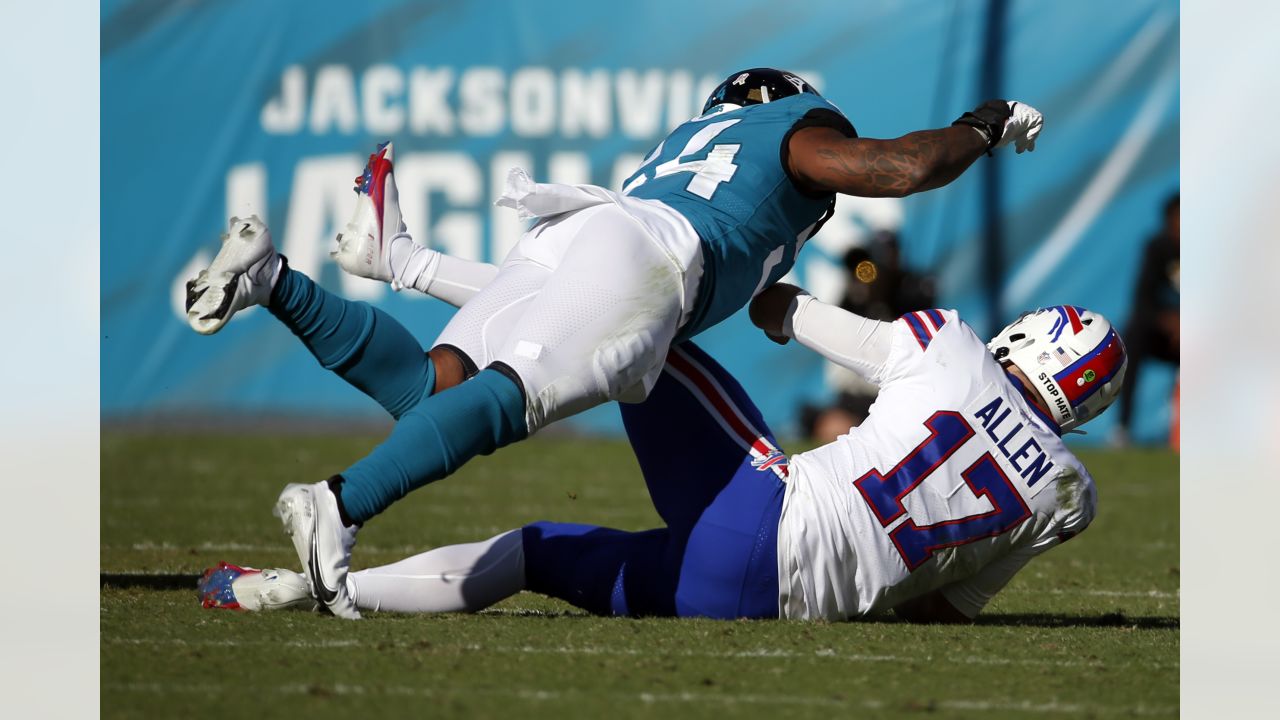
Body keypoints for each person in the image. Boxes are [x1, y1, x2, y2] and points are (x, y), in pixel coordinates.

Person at [185, 68, 1045, 618]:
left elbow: (580, 293)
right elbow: (898, 169)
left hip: (587, 228)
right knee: (510, 400)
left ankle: (274, 281)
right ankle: (340, 502)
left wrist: (414, 267)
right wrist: (982, 124)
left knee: (433, 395)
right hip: (655, 254)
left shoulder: (689, 149)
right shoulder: (791, 128)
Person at [200, 262, 1126, 623]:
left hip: (762, 512)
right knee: (533, 554)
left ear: (1030, 343)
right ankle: (320, 593)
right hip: (770, 607)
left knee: (641, 321)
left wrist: (769, 273)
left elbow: (788, 313)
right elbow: (944, 614)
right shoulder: (1069, 497)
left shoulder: (953, 345)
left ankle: (429, 284)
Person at [1113, 193, 1179, 446]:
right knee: (1134, 335)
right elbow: (1143, 300)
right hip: (1160, 333)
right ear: (1168, 220)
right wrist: (1171, 322)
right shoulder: (1156, 248)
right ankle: (1122, 428)